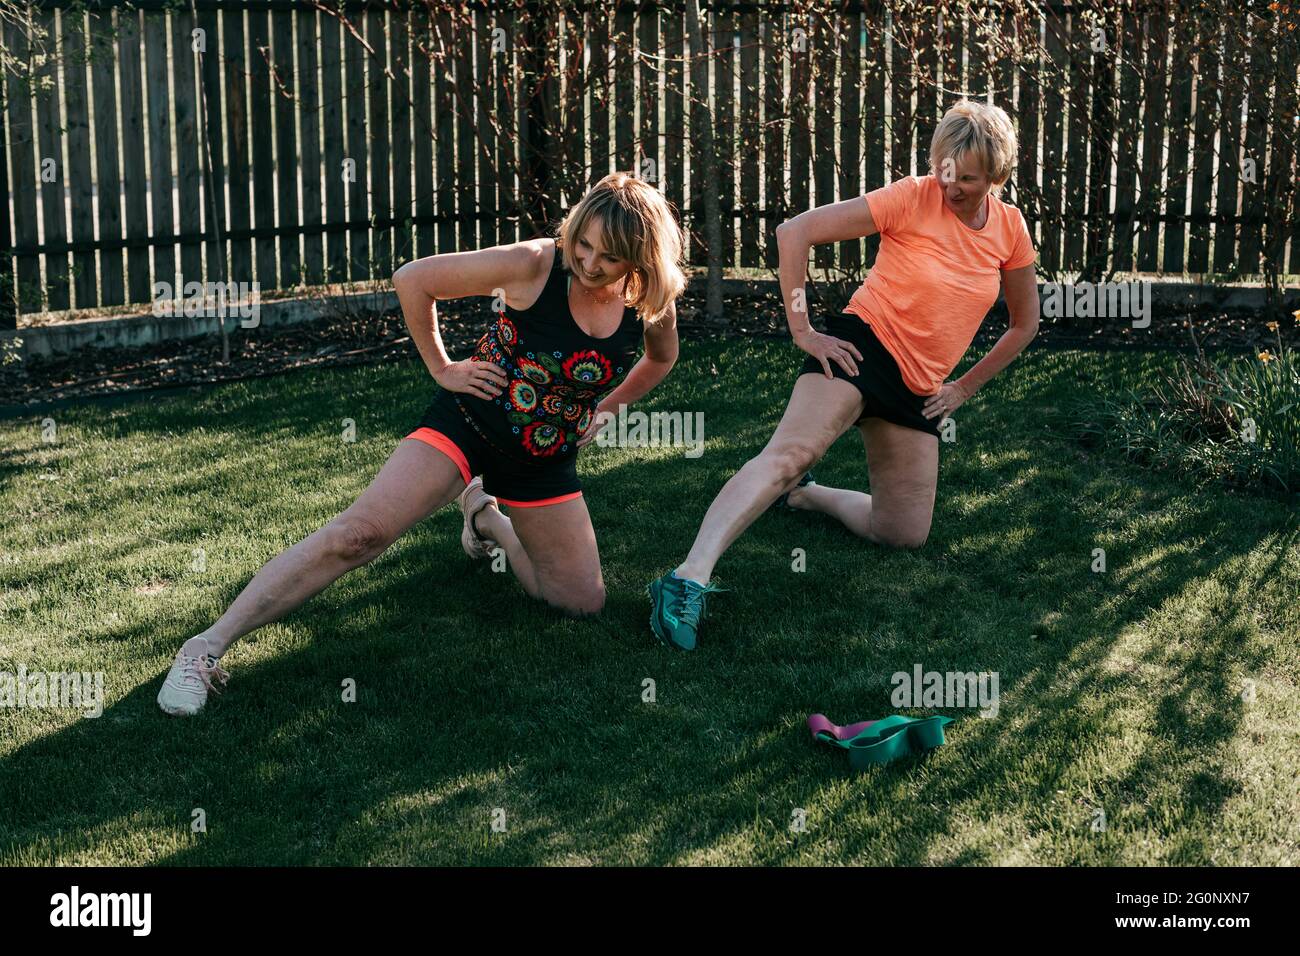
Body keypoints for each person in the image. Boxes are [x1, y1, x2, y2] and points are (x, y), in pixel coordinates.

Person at [159, 172, 686, 715]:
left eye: (610, 256)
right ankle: (204, 649)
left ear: (641, 260)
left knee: (580, 604)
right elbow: (414, 279)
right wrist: (443, 367)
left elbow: (661, 358)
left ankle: (485, 517)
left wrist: (608, 408)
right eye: (584, 242)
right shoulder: (535, 263)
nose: (590, 262)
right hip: (468, 424)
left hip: (542, 457)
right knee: (360, 535)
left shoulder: (646, 300)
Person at [647, 100, 1041, 651]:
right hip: (861, 350)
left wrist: (962, 388)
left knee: (902, 535)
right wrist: (804, 330)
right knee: (789, 456)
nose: (950, 187)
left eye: (967, 180)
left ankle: (810, 498)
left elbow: (1025, 324)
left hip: (920, 389)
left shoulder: (1009, 229)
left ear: (997, 176)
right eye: (943, 171)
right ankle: (687, 577)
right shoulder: (911, 196)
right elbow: (794, 233)